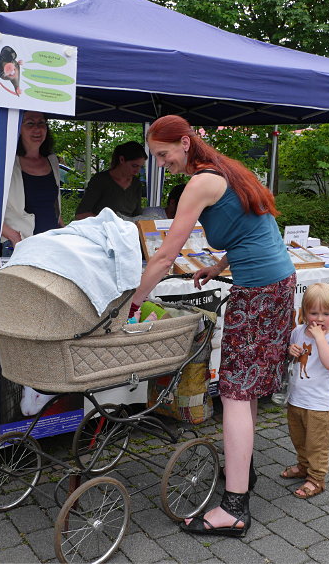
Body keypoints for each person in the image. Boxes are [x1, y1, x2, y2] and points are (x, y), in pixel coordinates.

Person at [129, 115, 296, 537]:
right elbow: (256, 227)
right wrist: (220, 264)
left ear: (185, 143)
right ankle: (245, 473)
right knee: (250, 385)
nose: (161, 163)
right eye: (155, 157)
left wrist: (134, 298)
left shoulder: (200, 182)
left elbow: (166, 255)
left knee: (235, 392)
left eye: (164, 154)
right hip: (275, 282)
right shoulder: (226, 168)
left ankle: (234, 508)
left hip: (259, 290)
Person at [282, 283, 329, 499]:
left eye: (326, 313)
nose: (319, 319)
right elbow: (293, 359)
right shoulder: (297, 332)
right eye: (313, 312)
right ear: (304, 312)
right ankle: (303, 466)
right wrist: (291, 352)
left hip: (319, 405)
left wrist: (319, 338)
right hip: (297, 400)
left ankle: (316, 478)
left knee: (316, 444)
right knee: (299, 438)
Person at [0, 111, 64, 256]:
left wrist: (64, 230)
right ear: (18, 129)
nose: (37, 128)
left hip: (52, 245)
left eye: (41, 123)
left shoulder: (52, 160)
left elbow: (53, 204)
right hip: (20, 245)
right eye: (30, 123)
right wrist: (12, 236)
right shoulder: (6, 162)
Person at [74, 141, 147, 219]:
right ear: (122, 159)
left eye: (141, 167)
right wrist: (109, 223)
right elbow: (81, 214)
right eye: (134, 166)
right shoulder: (100, 180)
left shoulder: (136, 184)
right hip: (101, 228)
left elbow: (137, 215)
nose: (137, 171)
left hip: (127, 229)